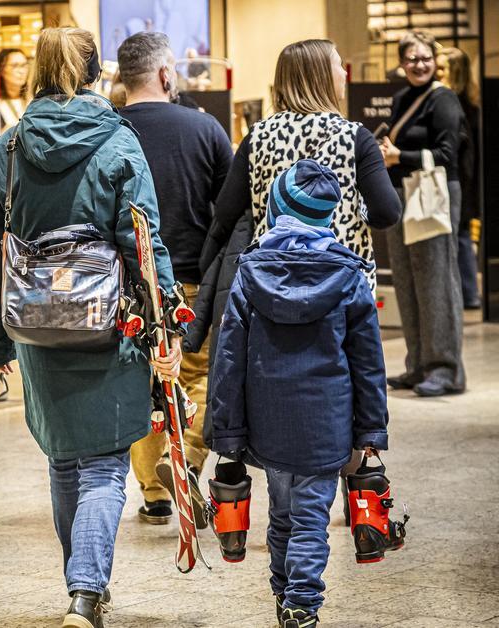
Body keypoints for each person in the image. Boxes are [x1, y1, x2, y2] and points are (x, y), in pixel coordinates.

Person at [0, 27, 181, 628]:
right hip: (109, 326)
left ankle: (81, 583)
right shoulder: (119, 143)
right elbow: (145, 244)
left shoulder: (8, 149)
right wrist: (165, 323)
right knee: (106, 465)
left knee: (64, 460)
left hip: (38, 329)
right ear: (96, 74)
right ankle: (85, 591)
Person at [209, 160, 389, 628]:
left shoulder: (250, 274)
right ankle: (301, 603)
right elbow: (369, 364)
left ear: (275, 209)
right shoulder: (349, 277)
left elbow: (228, 360)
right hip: (327, 426)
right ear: (327, 216)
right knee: (311, 519)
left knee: (284, 515)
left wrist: (227, 433)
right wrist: (371, 430)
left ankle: (282, 594)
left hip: (269, 425)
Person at [195, 39, 401, 393]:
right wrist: (356, 209)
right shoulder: (355, 138)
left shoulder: (257, 136)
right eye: (338, 65)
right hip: (341, 286)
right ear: (321, 76)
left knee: (276, 381)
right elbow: (387, 212)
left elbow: (225, 213)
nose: (344, 73)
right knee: (349, 385)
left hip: (272, 286)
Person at [116, 32, 232, 528]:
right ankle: (186, 461)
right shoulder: (205, 129)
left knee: (141, 383)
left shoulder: (108, 130)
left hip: (127, 287)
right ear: (167, 74)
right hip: (192, 285)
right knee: (202, 377)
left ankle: (153, 493)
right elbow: (230, 212)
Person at [379, 30, 467, 397]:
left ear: (436, 60)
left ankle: (445, 369)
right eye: (412, 59)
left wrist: (401, 157)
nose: (419, 64)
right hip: (402, 195)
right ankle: (417, 365)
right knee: (408, 282)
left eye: (425, 58)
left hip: (432, 194)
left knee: (435, 283)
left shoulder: (443, 99)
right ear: (401, 63)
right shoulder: (402, 98)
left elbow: (448, 155)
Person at [436, 46, 481, 310]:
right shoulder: (468, 104)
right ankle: (468, 292)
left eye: (442, 68)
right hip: (463, 180)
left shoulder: (454, 106)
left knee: (460, 235)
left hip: (459, 181)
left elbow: (464, 155)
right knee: (460, 234)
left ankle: (468, 292)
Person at [0, 48, 30, 131]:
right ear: (1, 69)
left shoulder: (33, 100)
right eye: (15, 66)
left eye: (24, 65)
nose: (21, 71)